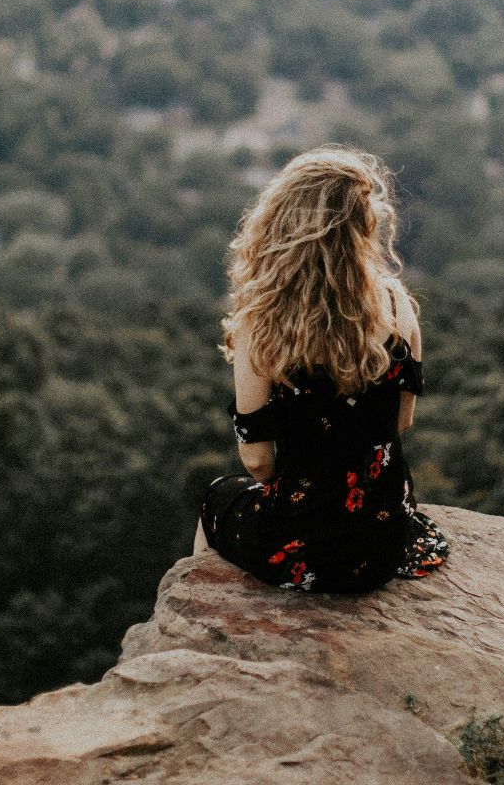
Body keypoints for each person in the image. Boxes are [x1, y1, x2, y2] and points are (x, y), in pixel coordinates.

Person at [193, 146, 450, 593]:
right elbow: (401, 421)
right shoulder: (396, 304)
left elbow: (256, 462)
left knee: (215, 500)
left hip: (302, 540)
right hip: (380, 542)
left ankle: (202, 622)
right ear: (363, 228)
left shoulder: (263, 321)